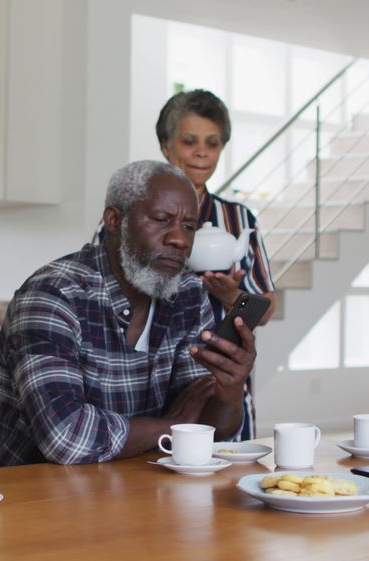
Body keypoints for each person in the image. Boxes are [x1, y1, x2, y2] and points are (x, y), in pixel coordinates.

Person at [0, 160, 256, 467]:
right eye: (162, 220)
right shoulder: (53, 294)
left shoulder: (188, 295)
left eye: (189, 226)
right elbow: (65, 437)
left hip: (137, 492)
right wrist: (169, 428)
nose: (179, 239)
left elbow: (207, 427)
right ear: (114, 221)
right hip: (27, 500)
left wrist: (229, 389)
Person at [95, 89, 275, 441]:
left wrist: (231, 295)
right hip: (140, 382)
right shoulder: (128, 215)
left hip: (217, 380)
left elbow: (264, 310)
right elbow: (98, 291)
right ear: (166, 145)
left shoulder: (238, 218)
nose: (201, 152)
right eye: (189, 140)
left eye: (213, 143)